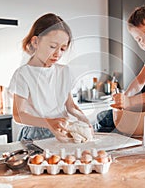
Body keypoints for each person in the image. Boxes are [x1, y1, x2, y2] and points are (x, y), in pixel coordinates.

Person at [8, 13, 91, 142]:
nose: (57, 54)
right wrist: (49, 123)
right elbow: (19, 115)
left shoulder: (64, 71)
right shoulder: (23, 74)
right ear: (35, 42)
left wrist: (85, 121)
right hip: (34, 135)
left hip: (62, 131)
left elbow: (70, 106)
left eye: (63, 49)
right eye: (52, 47)